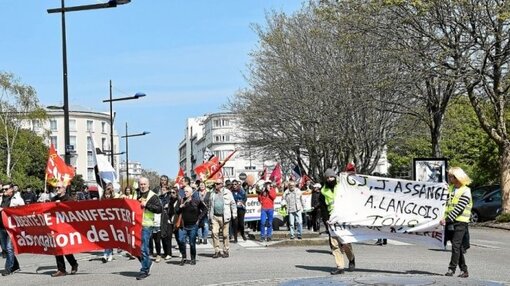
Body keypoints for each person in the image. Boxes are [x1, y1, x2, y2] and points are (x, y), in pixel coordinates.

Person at [321, 167, 355, 275]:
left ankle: (351, 258)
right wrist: (326, 219)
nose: (330, 179)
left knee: (345, 242)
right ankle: (340, 267)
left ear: (335, 177)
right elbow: (323, 207)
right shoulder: (323, 191)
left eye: (332, 177)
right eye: (328, 177)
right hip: (331, 219)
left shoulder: (341, 186)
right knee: (334, 243)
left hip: (342, 217)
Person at [440, 167, 472, 278]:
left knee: (456, 245)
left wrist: (447, 219)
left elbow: (459, 208)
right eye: (449, 176)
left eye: (451, 176)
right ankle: (464, 270)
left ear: (457, 177)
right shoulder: (450, 188)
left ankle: (451, 269)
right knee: (456, 246)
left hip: (460, 222)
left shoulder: (466, 190)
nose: (449, 178)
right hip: (449, 222)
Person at [135, 177, 162, 280]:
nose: (142, 186)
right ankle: (147, 262)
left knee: (143, 248)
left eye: (144, 184)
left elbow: (159, 209)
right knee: (135, 248)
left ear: (148, 184)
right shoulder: (136, 194)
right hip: (135, 224)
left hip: (146, 225)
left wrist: (147, 205)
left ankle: (144, 270)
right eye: (140, 184)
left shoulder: (153, 196)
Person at [51, 182, 79, 277]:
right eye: (56, 187)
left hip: (66, 227)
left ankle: (74, 264)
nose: (57, 189)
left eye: (59, 187)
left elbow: (73, 212)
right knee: (57, 249)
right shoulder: (53, 199)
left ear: (64, 188)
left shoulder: (69, 199)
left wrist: (61, 205)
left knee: (65, 249)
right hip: (55, 227)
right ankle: (61, 270)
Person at [176, 186, 207, 266]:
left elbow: (205, 209)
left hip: (193, 225)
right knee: (181, 240)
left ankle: (193, 258)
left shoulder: (196, 201)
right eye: (184, 191)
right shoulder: (182, 201)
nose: (185, 193)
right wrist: (180, 207)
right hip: (183, 225)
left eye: (186, 191)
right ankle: (184, 257)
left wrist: (199, 219)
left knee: (192, 243)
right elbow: (177, 212)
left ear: (190, 193)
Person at [0, 183, 24, 276]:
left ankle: (8, 268)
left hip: (11, 227)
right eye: (3, 189)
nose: (4, 191)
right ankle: (16, 266)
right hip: (1, 227)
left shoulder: (17, 199)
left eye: (6, 189)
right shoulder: (1, 199)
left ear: (11, 189)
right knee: (5, 249)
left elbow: (23, 211)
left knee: (10, 248)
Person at [209, 179, 237, 258]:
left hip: (224, 216)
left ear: (222, 184)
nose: (216, 185)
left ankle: (226, 250)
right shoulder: (212, 193)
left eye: (217, 183)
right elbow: (210, 206)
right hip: (215, 216)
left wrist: (234, 213)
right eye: (215, 183)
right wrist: (209, 216)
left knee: (225, 234)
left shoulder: (227, 192)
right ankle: (217, 250)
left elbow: (233, 204)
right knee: (214, 233)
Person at [101, 184, 115, 263]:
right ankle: (106, 254)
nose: (107, 196)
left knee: (110, 239)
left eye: (108, 194)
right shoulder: (102, 201)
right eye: (106, 194)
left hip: (112, 222)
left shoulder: (113, 200)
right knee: (106, 239)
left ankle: (108, 254)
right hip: (104, 222)